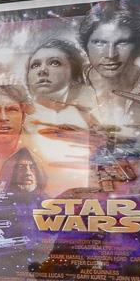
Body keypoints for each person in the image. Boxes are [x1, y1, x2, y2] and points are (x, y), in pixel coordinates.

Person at [20, 37, 98, 194]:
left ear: (74, 74)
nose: (42, 70)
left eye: (54, 63)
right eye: (35, 65)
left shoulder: (89, 118)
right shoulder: (16, 118)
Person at [79, 2, 140, 134]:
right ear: (86, 45)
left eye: (123, 42)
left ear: (139, 46)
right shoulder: (68, 80)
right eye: (100, 43)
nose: (111, 55)